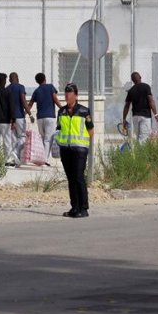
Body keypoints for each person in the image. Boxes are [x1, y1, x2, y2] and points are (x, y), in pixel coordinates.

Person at [56, 83, 93, 218]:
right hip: (66, 150)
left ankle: (83, 208)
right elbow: (59, 130)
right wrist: (57, 143)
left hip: (80, 150)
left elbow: (91, 130)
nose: (67, 95)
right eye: (66, 92)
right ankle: (74, 207)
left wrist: (84, 145)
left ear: (76, 95)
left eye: (70, 92)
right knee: (71, 179)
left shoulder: (84, 111)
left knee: (78, 177)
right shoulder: (61, 112)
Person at [28, 73, 62, 166]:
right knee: (48, 139)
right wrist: (62, 108)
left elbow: (30, 104)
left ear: (37, 81)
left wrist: (27, 113)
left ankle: (42, 158)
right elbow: (55, 99)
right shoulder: (50, 87)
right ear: (45, 79)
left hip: (40, 119)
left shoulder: (36, 91)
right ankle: (45, 159)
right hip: (50, 117)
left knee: (43, 138)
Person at [122, 72, 158, 142]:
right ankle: (141, 152)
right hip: (145, 116)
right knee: (144, 138)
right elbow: (151, 101)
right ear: (140, 77)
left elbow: (127, 106)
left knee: (138, 137)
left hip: (135, 117)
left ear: (132, 80)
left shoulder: (131, 90)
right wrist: (156, 114)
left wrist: (124, 119)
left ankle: (137, 152)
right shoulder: (146, 87)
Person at [7, 72, 33, 166]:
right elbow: (23, 101)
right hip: (19, 116)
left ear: (9, 79)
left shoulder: (7, 89)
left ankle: (13, 160)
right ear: (17, 78)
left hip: (10, 118)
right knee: (22, 137)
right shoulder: (20, 87)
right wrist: (30, 114)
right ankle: (14, 153)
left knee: (13, 138)